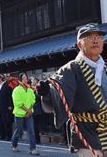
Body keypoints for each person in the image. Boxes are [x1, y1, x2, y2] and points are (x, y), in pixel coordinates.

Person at [37, 23, 107, 157]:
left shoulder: (104, 68)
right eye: (88, 37)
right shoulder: (71, 68)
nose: (95, 40)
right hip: (86, 130)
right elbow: (57, 90)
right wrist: (46, 92)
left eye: (98, 37)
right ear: (80, 45)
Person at [11, 72, 40, 155]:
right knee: (18, 130)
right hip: (19, 113)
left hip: (29, 113)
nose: (25, 80)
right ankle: (14, 144)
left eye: (26, 78)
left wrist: (29, 110)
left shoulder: (30, 89)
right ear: (20, 80)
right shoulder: (16, 90)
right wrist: (27, 110)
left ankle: (32, 148)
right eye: (23, 78)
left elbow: (33, 100)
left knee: (31, 130)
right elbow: (18, 103)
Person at [0, 74, 14, 141]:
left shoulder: (7, 85)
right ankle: (2, 135)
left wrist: (10, 105)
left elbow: (10, 96)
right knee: (0, 121)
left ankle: (8, 136)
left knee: (6, 121)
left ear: (1, 78)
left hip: (6, 106)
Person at [32, 77, 43, 144]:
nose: (32, 82)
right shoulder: (32, 89)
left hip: (37, 109)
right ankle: (35, 138)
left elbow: (38, 97)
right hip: (33, 109)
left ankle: (37, 139)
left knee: (35, 125)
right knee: (34, 125)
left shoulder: (38, 89)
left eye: (33, 81)